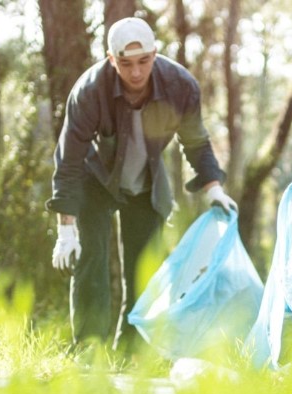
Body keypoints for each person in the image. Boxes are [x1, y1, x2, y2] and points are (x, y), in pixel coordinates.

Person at [47, 17, 237, 349]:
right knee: (91, 262)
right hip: (97, 182)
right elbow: (70, 160)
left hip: (147, 184)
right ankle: (89, 352)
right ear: (111, 59)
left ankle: (132, 355)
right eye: (125, 63)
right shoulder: (89, 91)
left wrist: (214, 188)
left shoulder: (181, 86)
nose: (136, 72)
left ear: (154, 53)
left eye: (143, 61)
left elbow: (195, 142)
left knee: (144, 273)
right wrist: (66, 229)